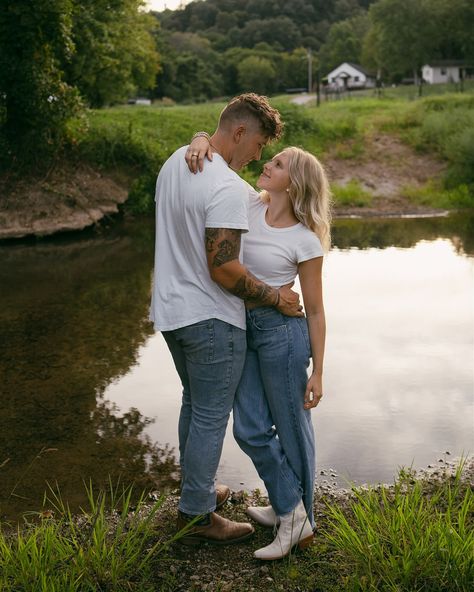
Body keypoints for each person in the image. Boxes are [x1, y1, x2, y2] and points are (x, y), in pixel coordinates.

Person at [149, 93, 304, 546]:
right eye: (257, 146)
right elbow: (225, 269)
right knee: (211, 415)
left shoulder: (176, 160)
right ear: (239, 133)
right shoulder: (227, 188)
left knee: (193, 405)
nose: (258, 157)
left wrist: (199, 137)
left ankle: (195, 492)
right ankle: (197, 515)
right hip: (212, 320)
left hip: (171, 313)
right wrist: (276, 296)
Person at [186, 135, 331, 560]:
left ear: (296, 182)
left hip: (282, 336)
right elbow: (217, 156)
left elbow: (316, 311)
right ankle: (290, 506)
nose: (268, 162)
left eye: (280, 163)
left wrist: (319, 371)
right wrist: (198, 139)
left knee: (291, 427)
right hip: (240, 328)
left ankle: (300, 517)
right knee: (249, 427)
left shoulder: (306, 240)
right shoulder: (248, 203)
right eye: (272, 158)